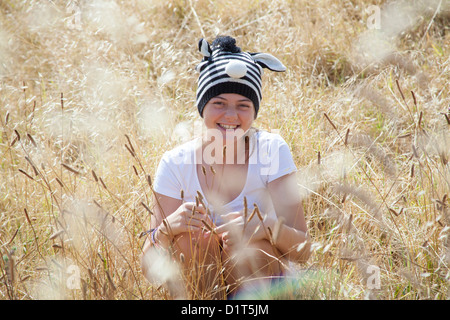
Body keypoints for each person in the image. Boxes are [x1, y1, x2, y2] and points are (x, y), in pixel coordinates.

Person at [141, 36, 310, 299]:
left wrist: (267, 227)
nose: (231, 116)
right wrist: (165, 230)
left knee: (250, 251)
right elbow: (150, 272)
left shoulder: (271, 150)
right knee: (188, 242)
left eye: (243, 106)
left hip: (261, 287)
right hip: (201, 289)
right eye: (219, 103)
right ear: (202, 107)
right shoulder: (175, 163)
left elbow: (303, 250)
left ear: (254, 112)